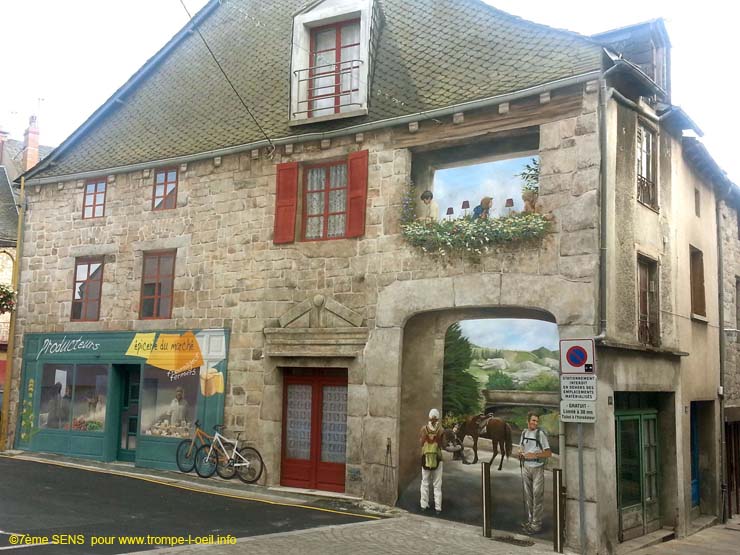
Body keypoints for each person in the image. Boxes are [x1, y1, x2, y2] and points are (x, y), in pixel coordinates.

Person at [517, 412, 552, 534]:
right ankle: (530, 521)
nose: (535, 423)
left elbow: (548, 453)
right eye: (533, 420)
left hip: (537, 467)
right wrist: (520, 453)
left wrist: (534, 455)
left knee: (537, 496)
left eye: (537, 421)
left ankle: (536, 525)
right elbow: (521, 447)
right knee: (528, 496)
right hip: (526, 466)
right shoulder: (524, 433)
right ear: (528, 421)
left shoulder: (540, 434)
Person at [420, 408, 444, 514]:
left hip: (425, 459)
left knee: (425, 482)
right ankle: (438, 507)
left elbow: (421, 443)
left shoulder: (423, 429)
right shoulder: (441, 430)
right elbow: (443, 445)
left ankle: (423, 505)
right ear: (438, 418)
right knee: (437, 484)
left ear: (429, 417)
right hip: (438, 459)